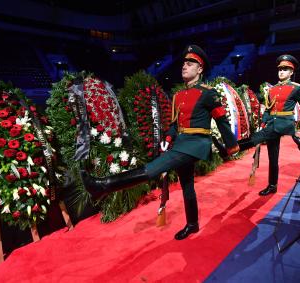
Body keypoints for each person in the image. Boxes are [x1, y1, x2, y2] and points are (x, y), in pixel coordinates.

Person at [81, 44, 239, 240]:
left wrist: (231, 145)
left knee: (155, 167)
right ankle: (193, 224)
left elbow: (222, 120)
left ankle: (103, 185)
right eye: (184, 62)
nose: (184, 66)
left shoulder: (208, 93)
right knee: (187, 185)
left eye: (190, 63)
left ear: (200, 69)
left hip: (197, 143)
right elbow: (174, 124)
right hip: (181, 143)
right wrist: (169, 137)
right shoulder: (179, 95)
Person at [238, 54, 300, 196]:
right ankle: (272, 185)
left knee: (258, 138)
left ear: (291, 72)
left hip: (285, 124)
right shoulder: (272, 89)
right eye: (280, 69)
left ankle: (236, 146)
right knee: (272, 157)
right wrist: (263, 121)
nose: (281, 72)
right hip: (272, 124)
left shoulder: (296, 88)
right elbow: (269, 108)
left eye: (285, 69)